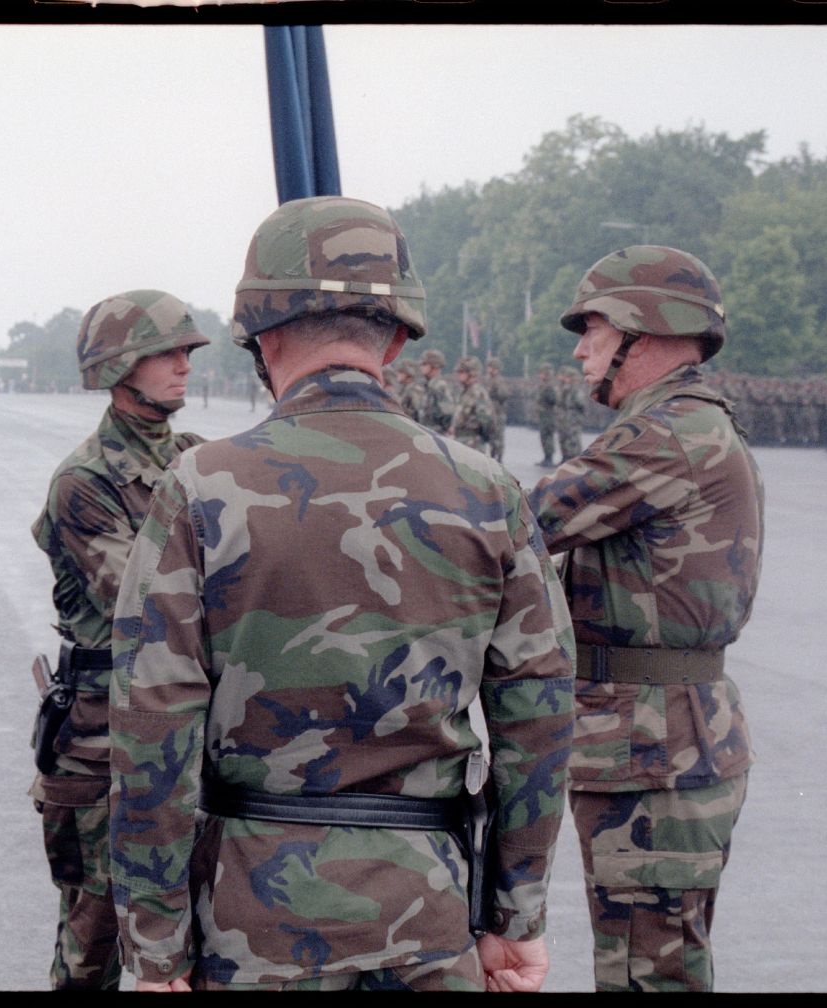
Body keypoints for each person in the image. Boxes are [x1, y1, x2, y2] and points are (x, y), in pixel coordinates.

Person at [107, 196, 575, 992]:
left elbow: (153, 725)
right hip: (427, 917)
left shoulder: (200, 487)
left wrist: (154, 949)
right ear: (396, 337)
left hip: (254, 920)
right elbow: (538, 722)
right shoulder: (489, 491)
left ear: (264, 336)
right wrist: (514, 919)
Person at [528, 245, 762, 992]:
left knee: (646, 972)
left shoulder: (668, 435)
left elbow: (519, 523)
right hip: (657, 740)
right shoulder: (677, 426)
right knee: (652, 963)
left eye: (592, 328)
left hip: (655, 748)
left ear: (643, 329)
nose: (580, 348)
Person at [29, 289, 211, 989]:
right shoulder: (85, 481)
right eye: (166, 352)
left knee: (200, 935)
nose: (183, 365)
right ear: (119, 365)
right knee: (92, 947)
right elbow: (145, 600)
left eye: (187, 351)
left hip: (190, 730)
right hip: (103, 743)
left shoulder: (199, 459)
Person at [447, 354, 495, 455]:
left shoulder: (478, 393)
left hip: (473, 444)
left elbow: (486, 422)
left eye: (462, 372)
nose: (458, 375)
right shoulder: (464, 392)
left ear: (472, 373)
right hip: (460, 441)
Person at [417, 347, 457, 434]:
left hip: (436, 435)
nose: (421, 367)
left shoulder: (440, 386)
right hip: (427, 433)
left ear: (434, 366)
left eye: (424, 364)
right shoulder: (429, 385)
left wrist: (440, 431)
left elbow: (448, 413)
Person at [555, 365, 585, 462]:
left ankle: (576, 459)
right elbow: (560, 402)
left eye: (567, 377)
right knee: (565, 438)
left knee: (574, 439)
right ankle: (566, 457)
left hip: (574, 418)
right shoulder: (565, 389)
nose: (565, 379)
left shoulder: (576, 389)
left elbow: (581, 404)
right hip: (566, 417)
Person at [484, 357, 509, 461]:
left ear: (496, 369)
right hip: (491, 412)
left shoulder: (499, 381)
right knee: (492, 437)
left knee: (498, 437)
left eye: (491, 367)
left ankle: (498, 458)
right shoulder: (489, 380)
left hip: (498, 413)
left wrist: (496, 390)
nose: (489, 369)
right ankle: (493, 456)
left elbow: (504, 395)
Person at [534, 362, 558, 466]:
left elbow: (553, 399)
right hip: (543, 415)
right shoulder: (543, 385)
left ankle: (549, 458)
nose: (540, 375)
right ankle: (546, 457)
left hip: (548, 415)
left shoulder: (550, 386)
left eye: (542, 373)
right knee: (543, 436)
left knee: (548, 437)